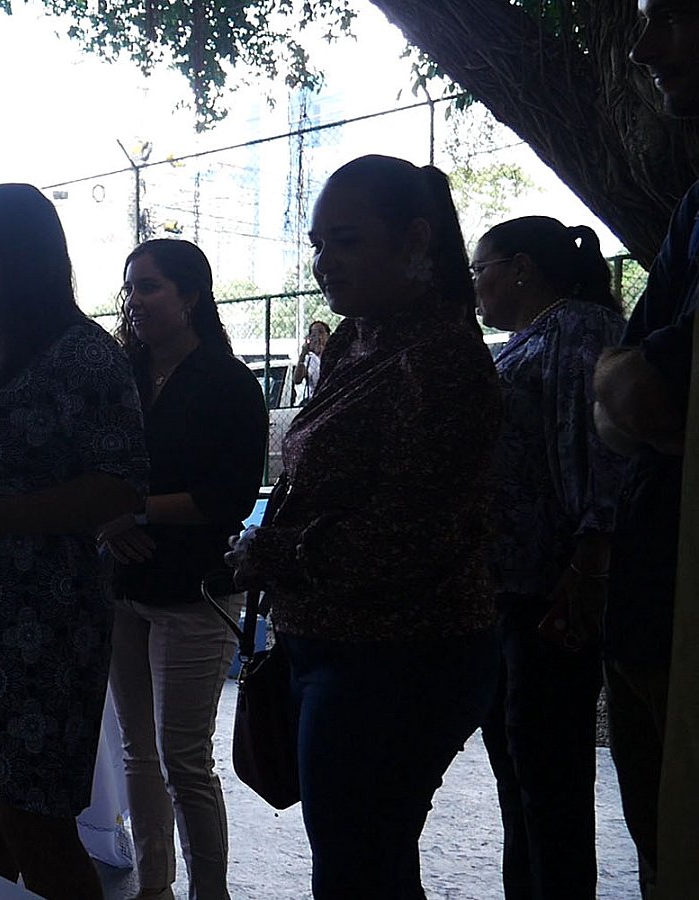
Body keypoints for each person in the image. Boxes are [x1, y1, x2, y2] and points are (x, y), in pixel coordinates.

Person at [226, 154, 502, 898]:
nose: (325, 263)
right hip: (332, 644)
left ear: (415, 240)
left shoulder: (439, 361)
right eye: (318, 244)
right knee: (363, 861)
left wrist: (274, 550)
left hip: (397, 654)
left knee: (358, 867)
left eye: (346, 242)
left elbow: (412, 535)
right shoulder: (359, 339)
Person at [0, 183, 147, 900]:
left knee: (33, 822)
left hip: (42, 618)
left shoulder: (85, 357)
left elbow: (120, 487)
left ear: (26, 258)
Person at [99, 239, 267, 900]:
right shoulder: (121, 377)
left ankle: (209, 892)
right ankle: (153, 886)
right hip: (124, 585)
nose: (135, 302)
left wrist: (133, 511)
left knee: (185, 760)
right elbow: (91, 471)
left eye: (150, 287)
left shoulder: (228, 383)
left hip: (194, 593)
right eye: (130, 289)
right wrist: (110, 522)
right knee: (137, 751)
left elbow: (227, 498)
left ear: (190, 296)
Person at [472, 216, 626, 899]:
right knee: (519, 773)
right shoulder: (528, 340)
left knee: (548, 779)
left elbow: (597, 452)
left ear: (521, 268)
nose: (476, 285)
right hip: (509, 589)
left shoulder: (578, 330)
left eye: (481, 269)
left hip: (552, 589)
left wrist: (588, 560)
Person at [592, 4, 699, 893]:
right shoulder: (695, 207)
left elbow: (633, 391)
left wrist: (634, 392)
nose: (641, 47)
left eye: (671, 17)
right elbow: (618, 397)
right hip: (648, 603)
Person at [292, 320, 330, 404]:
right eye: (313, 334)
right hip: (313, 400)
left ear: (328, 336)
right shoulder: (309, 358)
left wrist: (322, 350)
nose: (318, 337)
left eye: (321, 332)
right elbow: (297, 379)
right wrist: (303, 354)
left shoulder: (332, 355)